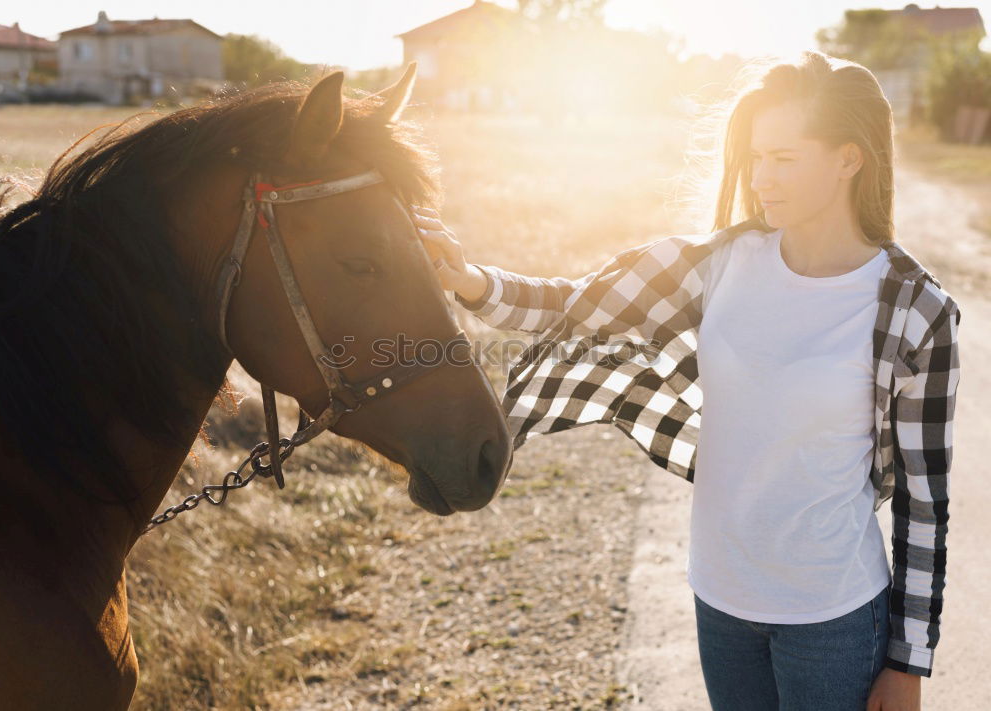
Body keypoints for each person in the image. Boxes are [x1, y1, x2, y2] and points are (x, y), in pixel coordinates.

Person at [411, 50, 960, 711]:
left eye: (784, 158)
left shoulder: (914, 309)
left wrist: (909, 663)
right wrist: (469, 279)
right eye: (757, 157)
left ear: (849, 158)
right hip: (719, 600)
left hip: (834, 617)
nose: (761, 177)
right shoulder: (718, 263)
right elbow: (576, 304)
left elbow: (925, 504)